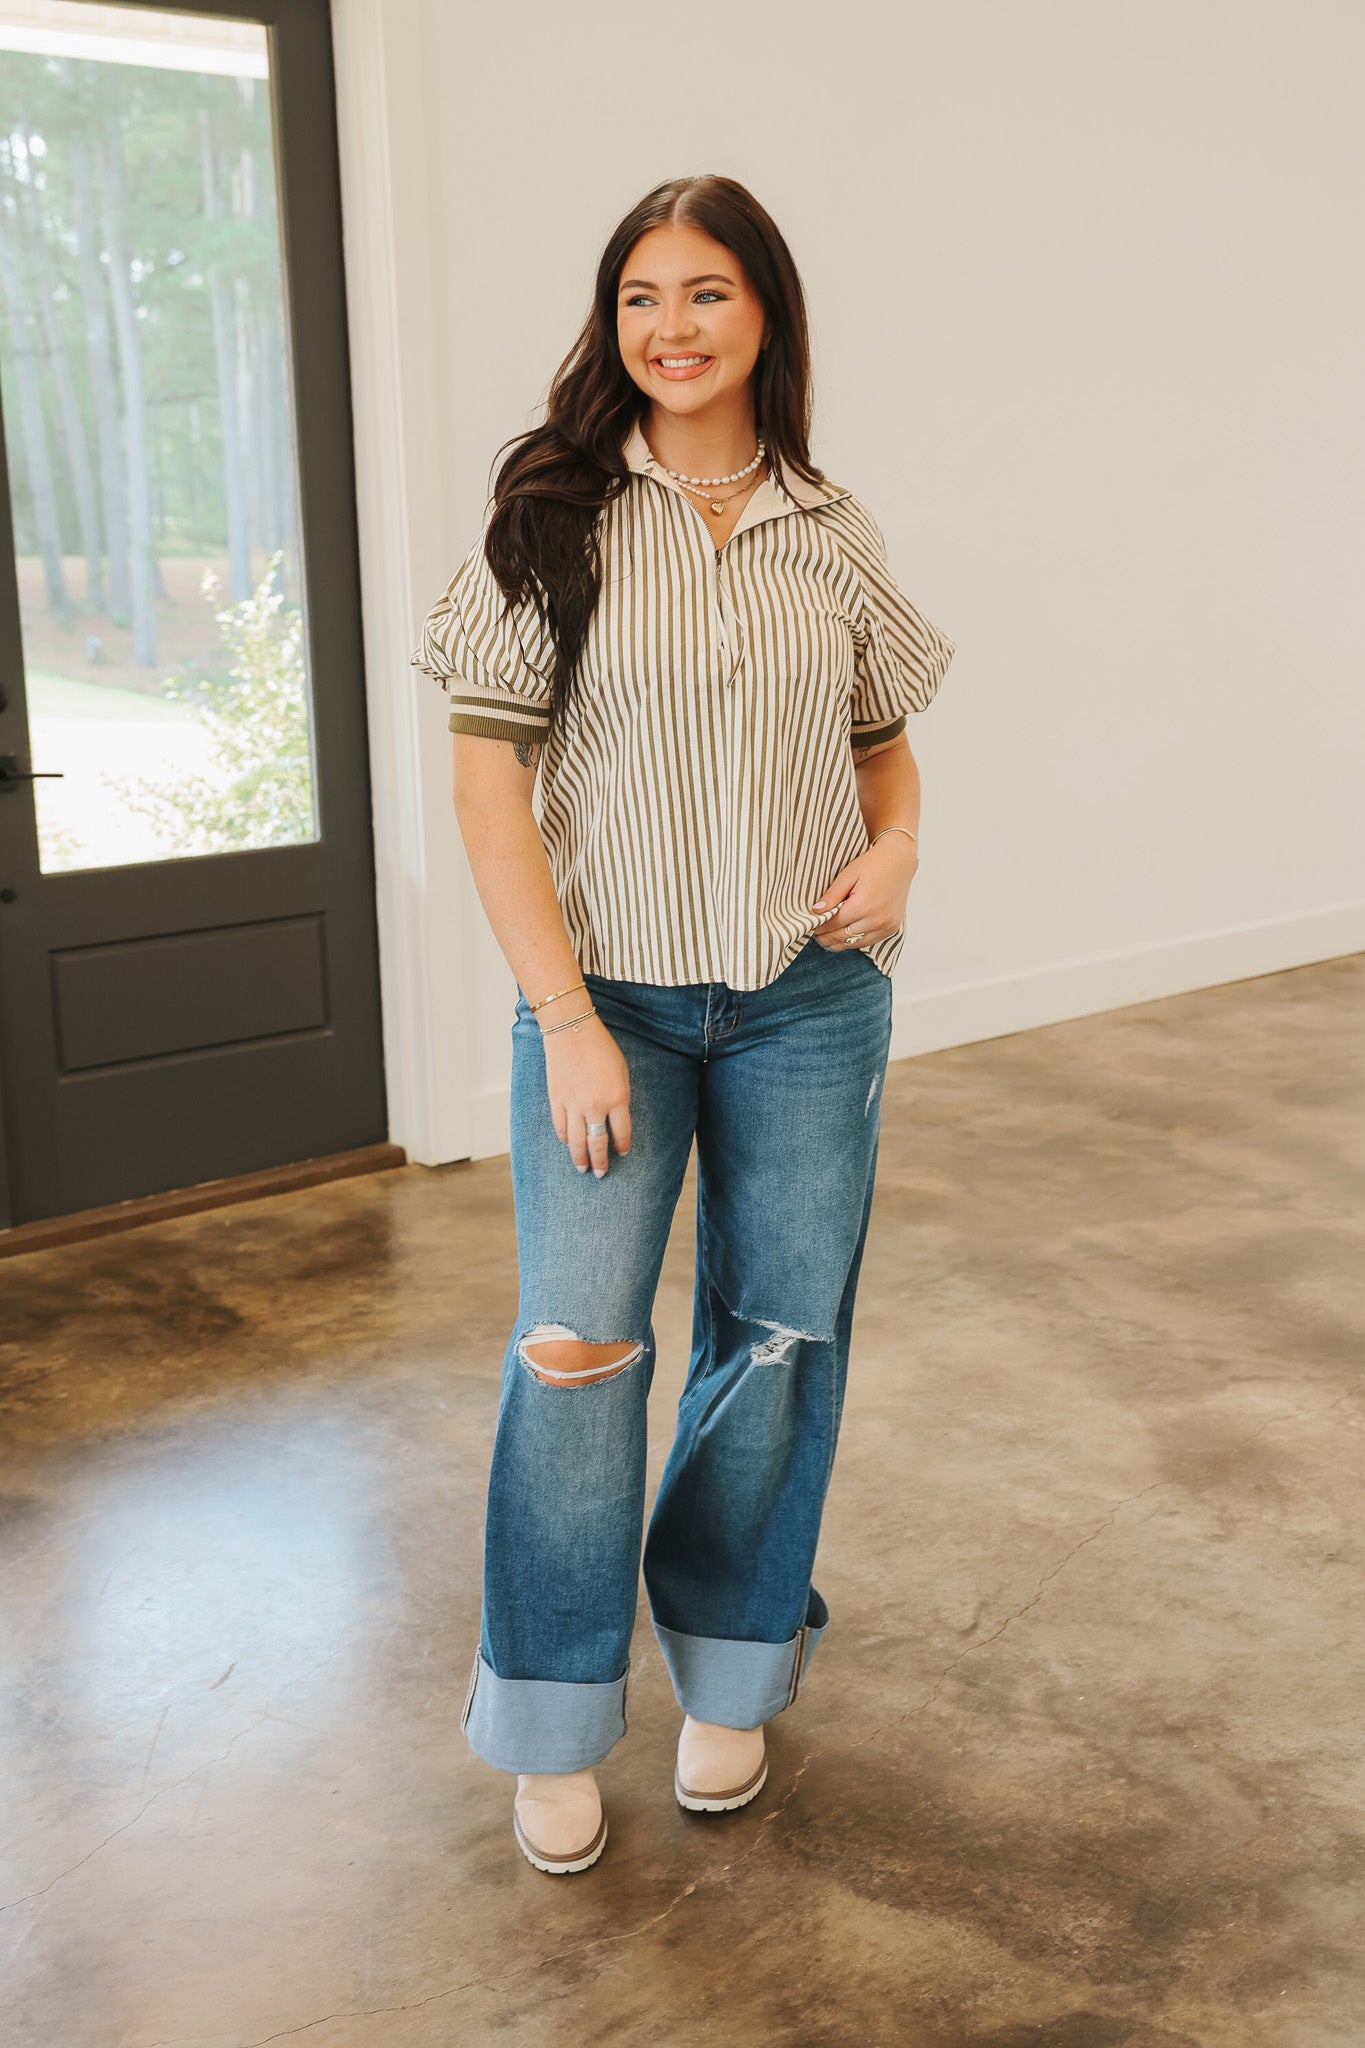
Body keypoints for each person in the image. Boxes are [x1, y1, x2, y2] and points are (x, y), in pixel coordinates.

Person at [410, 173, 955, 1876]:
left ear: (763, 312)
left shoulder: (829, 525)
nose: (671, 327)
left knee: (778, 1342)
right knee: (576, 1350)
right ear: (611, 321)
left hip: (809, 1004)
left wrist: (895, 853)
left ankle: (730, 1667)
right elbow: (488, 795)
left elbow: (883, 746)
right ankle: (552, 1717)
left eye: (705, 292)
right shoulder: (549, 520)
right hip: (610, 1008)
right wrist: (565, 1020)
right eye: (640, 296)